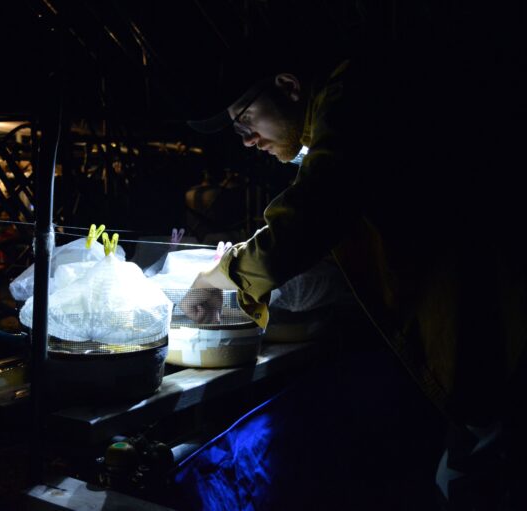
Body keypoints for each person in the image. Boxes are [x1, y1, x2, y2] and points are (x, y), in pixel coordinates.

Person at [179, 35, 527, 509]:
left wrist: (214, 276)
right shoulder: (340, 111)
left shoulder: (351, 98)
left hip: (498, 332)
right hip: (478, 336)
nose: (246, 140)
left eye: (245, 118)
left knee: (483, 478)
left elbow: (306, 220)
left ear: (288, 85)